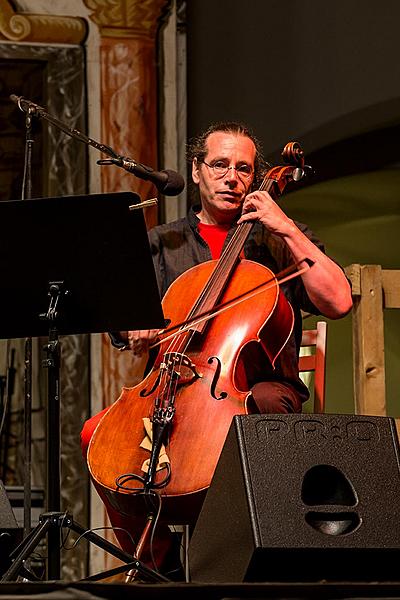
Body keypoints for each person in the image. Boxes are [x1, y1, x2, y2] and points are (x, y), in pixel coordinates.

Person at [81, 121, 352, 577]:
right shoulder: (161, 243)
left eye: (243, 168)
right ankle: (155, 567)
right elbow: (123, 320)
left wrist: (284, 225)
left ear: (256, 177)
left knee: (248, 427)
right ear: (197, 170)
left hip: (257, 391)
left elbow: (338, 301)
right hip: (170, 391)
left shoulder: (278, 239)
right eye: (219, 165)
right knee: (97, 437)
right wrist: (136, 331)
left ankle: (240, 568)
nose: (231, 177)